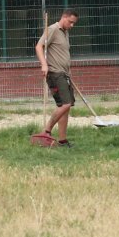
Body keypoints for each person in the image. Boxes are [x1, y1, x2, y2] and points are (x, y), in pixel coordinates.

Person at [34, 10, 79, 146]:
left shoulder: (65, 33)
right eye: (70, 22)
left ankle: (62, 140)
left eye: (74, 23)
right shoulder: (52, 29)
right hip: (55, 73)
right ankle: (47, 130)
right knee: (65, 104)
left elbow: (63, 55)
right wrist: (43, 65)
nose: (72, 25)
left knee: (66, 106)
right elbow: (39, 46)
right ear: (63, 17)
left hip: (64, 74)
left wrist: (69, 73)